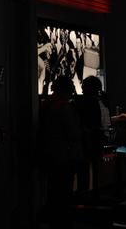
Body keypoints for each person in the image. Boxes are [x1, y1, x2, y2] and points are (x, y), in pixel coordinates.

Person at [42, 76, 83, 228]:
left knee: (53, 191)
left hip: (51, 156)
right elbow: (73, 133)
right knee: (64, 192)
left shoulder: (47, 105)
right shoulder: (64, 108)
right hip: (65, 157)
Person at [74, 76, 107, 198]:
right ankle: (94, 195)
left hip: (86, 142)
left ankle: (85, 195)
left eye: (84, 85)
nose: (82, 87)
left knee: (83, 171)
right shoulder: (100, 101)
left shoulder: (85, 102)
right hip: (96, 140)